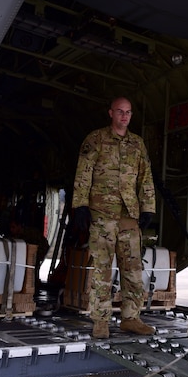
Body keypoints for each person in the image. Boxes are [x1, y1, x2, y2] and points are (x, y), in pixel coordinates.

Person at [72, 97, 157, 339]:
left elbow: (145, 177)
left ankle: (131, 318)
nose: (124, 116)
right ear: (111, 113)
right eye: (120, 111)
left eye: (128, 112)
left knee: (133, 269)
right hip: (102, 214)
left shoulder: (137, 144)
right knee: (102, 269)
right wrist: (80, 205)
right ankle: (100, 321)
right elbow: (84, 172)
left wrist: (148, 207)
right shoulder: (95, 139)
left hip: (129, 215)